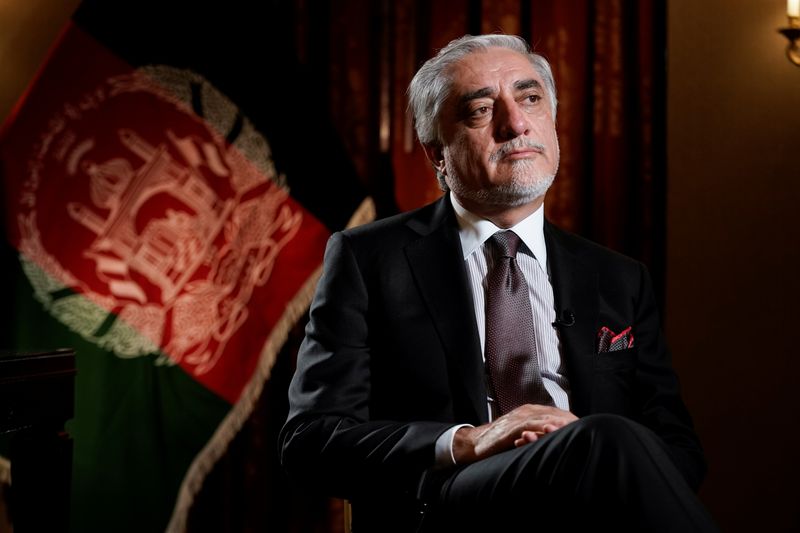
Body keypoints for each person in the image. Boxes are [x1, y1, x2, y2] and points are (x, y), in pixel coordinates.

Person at [280, 34, 718, 532]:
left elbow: (680, 450)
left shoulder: (618, 277)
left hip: (590, 507)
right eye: (481, 111)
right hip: (449, 503)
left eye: (530, 99)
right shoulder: (369, 259)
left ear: (553, 123)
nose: (516, 124)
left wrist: (596, 461)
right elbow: (311, 442)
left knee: (604, 443)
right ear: (436, 154)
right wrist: (470, 440)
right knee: (605, 439)